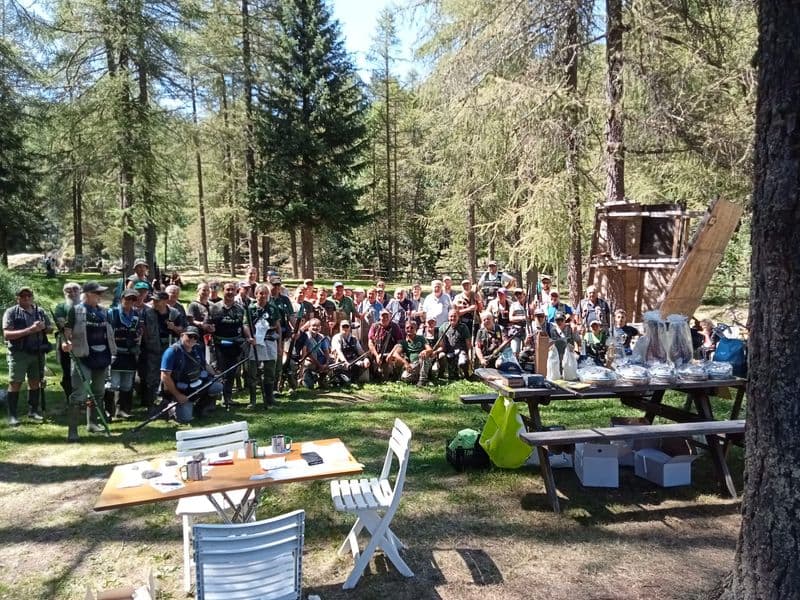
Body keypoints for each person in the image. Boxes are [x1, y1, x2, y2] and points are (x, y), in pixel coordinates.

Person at [61, 281, 116, 441]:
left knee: (98, 392)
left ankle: (92, 424)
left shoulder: (104, 312)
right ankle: (72, 431)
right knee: (79, 394)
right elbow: (67, 333)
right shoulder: (75, 311)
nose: (100, 296)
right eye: (97, 293)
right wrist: (66, 343)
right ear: (88, 294)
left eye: (101, 293)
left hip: (102, 356)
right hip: (83, 356)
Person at [3, 286, 53, 425]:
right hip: (18, 353)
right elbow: (7, 334)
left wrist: (44, 327)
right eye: (22, 296)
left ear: (32, 297)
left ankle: (33, 411)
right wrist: (29, 330)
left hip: (37, 352)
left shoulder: (40, 311)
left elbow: (50, 329)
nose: (26, 298)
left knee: (35, 381)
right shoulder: (11, 312)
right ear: (17, 297)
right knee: (15, 382)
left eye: (28, 295)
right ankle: (12, 415)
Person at [159, 327, 222, 422]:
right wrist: (178, 395)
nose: (192, 339)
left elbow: (204, 364)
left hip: (196, 385)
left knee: (217, 386)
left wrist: (215, 375)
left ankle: (200, 407)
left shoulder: (197, 348)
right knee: (185, 419)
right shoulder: (172, 352)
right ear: (182, 335)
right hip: (180, 390)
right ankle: (170, 407)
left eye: (195, 337)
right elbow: (165, 376)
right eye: (189, 336)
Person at [208, 282, 253, 409]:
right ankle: (213, 400)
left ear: (236, 291)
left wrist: (249, 337)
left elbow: (244, 325)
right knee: (218, 372)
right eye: (228, 290)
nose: (230, 292)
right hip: (218, 345)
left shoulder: (240, 308)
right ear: (223, 291)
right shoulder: (214, 307)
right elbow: (208, 324)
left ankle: (227, 398)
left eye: (232, 290)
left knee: (232, 373)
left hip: (235, 345)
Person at [104, 289, 143, 419]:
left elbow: (140, 331)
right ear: (121, 299)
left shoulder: (137, 315)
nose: (130, 302)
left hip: (130, 353)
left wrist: (138, 337)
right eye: (127, 299)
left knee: (127, 384)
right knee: (112, 383)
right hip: (114, 353)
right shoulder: (112, 313)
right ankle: (108, 411)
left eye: (133, 299)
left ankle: (123, 410)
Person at [139, 290, 182, 410]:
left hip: (170, 349)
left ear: (165, 301)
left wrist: (174, 327)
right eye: (153, 300)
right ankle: (151, 405)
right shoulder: (147, 313)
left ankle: (167, 402)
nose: (154, 303)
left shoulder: (174, 313)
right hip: (152, 349)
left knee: (170, 375)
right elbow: (143, 329)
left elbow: (182, 331)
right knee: (152, 378)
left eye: (157, 301)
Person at [246, 283, 281, 408]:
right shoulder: (250, 309)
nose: (263, 296)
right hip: (256, 342)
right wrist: (250, 337)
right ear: (256, 295)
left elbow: (278, 326)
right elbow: (245, 325)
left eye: (265, 293)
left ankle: (269, 397)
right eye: (260, 293)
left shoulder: (273, 308)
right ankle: (253, 400)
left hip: (270, 341)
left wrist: (279, 345)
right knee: (253, 372)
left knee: (270, 371)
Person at [53, 282, 81, 405]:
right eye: (69, 290)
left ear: (80, 291)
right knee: (68, 371)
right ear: (64, 293)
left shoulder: (87, 306)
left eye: (75, 289)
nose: (72, 292)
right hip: (65, 342)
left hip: (84, 343)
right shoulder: (60, 307)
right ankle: (70, 399)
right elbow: (62, 324)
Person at [389, 321, 433, 387]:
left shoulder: (421, 338)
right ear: (405, 329)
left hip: (423, 361)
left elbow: (430, 349)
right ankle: (422, 377)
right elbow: (395, 354)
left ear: (416, 329)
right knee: (404, 378)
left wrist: (425, 351)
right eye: (407, 328)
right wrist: (405, 363)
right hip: (413, 365)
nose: (409, 329)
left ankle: (422, 380)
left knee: (423, 356)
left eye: (412, 328)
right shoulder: (403, 342)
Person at [330, 320, 370, 384]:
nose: (345, 328)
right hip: (340, 362)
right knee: (345, 379)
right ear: (340, 327)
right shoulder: (336, 338)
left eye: (347, 326)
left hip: (353, 361)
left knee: (362, 367)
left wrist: (366, 359)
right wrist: (345, 362)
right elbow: (339, 351)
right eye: (343, 326)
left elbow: (360, 351)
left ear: (350, 328)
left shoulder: (354, 338)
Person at [368, 309, 403, 380]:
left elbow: (399, 343)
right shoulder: (374, 326)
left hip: (390, 356)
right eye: (383, 316)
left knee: (385, 377)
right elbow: (370, 342)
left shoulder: (395, 326)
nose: (385, 318)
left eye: (387, 316)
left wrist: (390, 354)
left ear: (390, 317)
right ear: (379, 317)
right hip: (377, 355)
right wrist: (377, 355)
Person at [439, 309, 473, 379]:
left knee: (463, 362)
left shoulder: (464, 327)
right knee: (441, 356)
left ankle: (466, 374)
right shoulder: (443, 327)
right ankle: (441, 373)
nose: (453, 318)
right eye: (451, 316)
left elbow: (469, 345)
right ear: (448, 317)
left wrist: (470, 358)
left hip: (461, 352)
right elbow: (442, 345)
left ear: (458, 317)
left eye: (455, 316)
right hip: (449, 352)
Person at [300, 318, 331, 389]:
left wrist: (327, 362)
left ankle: (322, 379)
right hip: (310, 361)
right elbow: (307, 353)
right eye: (313, 325)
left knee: (332, 362)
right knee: (309, 386)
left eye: (318, 326)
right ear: (309, 327)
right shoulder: (305, 337)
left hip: (320, 360)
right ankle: (305, 377)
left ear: (320, 327)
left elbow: (326, 351)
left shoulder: (322, 337)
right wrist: (319, 365)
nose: (315, 328)